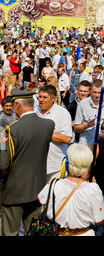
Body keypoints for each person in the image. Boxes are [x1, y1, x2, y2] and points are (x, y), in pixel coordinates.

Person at [0, 96, 55, 236]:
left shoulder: (11, 129)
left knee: (10, 232)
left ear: (17, 105)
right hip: (37, 189)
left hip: (15, 191)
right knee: (33, 232)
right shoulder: (48, 125)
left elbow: (2, 165)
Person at [38, 142, 104, 236]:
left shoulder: (53, 184)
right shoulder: (93, 189)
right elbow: (99, 219)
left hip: (56, 233)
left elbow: (42, 203)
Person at [37, 84, 73, 181]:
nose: (41, 100)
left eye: (45, 97)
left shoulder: (62, 113)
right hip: (35, 166)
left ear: (53, 98)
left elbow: (66, 138)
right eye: (40, 96)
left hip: (54, 166)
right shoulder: (34, 111)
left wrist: (42, 132)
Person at [74, 79, 104, 147]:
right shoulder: (83, 104)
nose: (97, 95)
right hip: (86, 145)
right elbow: (76, 128)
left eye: (99, 92)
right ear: (91, 91)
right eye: (95, 92)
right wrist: (87, 125)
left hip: (103, 145)